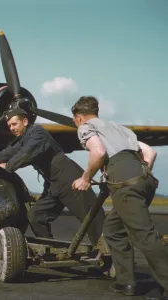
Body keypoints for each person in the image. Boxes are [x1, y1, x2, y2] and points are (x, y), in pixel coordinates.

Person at [0, 108, 107, 252]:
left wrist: (8, 166)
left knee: (91, 218)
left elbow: (25, 154)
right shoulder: (24, 139)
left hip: (68, 177)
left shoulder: (37, 133)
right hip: (52, 183)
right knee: (36, 216)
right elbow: (8, 152)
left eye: (14, 124)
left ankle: (110, 257)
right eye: (10, 126)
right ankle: (51, 250)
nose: (12, 128)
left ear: (25, 122)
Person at [71, 96, 168, 299]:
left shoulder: (85, 127)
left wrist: (85, 177)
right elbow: (150, 153)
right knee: (113, 230)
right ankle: (126, 283)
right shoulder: (119, 128)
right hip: (144, 178)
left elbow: (98, 152)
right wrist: (138, 177)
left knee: (144, 235)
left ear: (79, 118)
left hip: (126, 183)